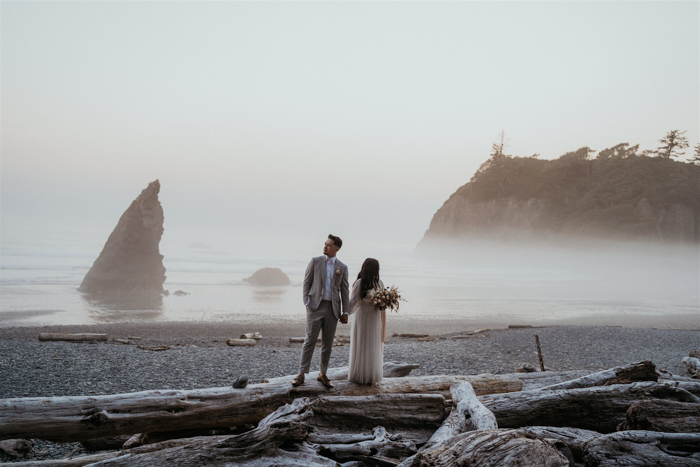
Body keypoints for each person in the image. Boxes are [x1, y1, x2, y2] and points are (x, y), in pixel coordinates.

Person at [292, 234, 350, 389]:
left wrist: (346, 312)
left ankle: (322, 373)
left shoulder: (342, 267)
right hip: (315, 306)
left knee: (327, 343)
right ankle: (301, 374)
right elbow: (306, 282)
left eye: (329, 245)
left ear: (336, 249)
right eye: (325, 244)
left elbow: (345, 290)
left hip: (332, 308)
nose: (325, 246)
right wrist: (306, 302)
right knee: (309, 340)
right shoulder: (315, 261)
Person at [348, 258, 386, 385]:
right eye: (377, 267)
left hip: (374, 318)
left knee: (372, 344)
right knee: (363, 342)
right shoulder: (359, 283)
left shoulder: (379, 283)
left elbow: (383, 300)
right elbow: (353, 301)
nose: (379, 270)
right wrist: (344, 313)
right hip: (363, 317)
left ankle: (371, 374)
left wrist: (385, 302)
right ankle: (360, 374)